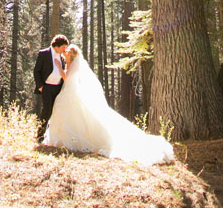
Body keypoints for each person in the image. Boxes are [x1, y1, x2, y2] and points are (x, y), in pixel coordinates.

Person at [44, 43, 174, 166]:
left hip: (71, 96)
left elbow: (68, 79)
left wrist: (60, 68)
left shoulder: (73, 66)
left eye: (66, 52)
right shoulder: (71, 64)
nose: (64, 53)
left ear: (71, 55)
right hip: (68, 95)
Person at [33, 33, 69, 141]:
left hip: (58, 88)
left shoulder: (62, 57)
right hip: (46, 87)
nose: (64, 50)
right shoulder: (44, 54)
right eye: (63, 47)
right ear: (57, 45)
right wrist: (40, 86)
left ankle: (52, 136)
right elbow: (36, 71)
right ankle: (39, 135)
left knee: (56, 111)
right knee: (47, 110)